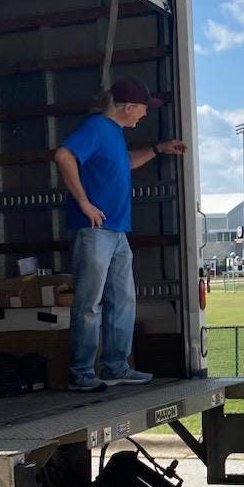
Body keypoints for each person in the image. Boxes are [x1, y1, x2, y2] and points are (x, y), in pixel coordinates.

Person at [54, 78, 187, 392]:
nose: (143, 115)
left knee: (123, 299)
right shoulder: (97, 128)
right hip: (96, 230)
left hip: (117, 231)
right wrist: (84, 202)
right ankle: (81, 373)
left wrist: (158, 149)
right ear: (128, 107)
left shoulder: (112, 134)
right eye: (142, 109)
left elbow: (125, 163)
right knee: (90, 302)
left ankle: (115, 367)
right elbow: (64, 156)